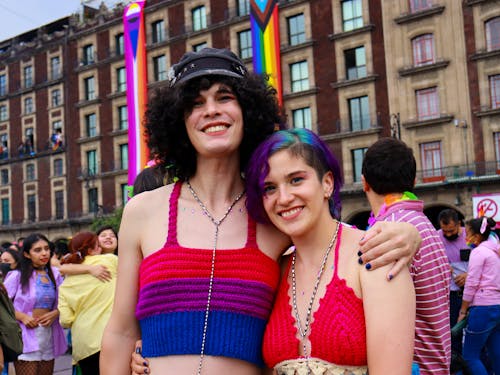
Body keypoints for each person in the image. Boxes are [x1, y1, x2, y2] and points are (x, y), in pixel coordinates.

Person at [105, 47, 420, 375]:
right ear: (178, 121)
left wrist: (408, 233)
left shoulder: (273, 217)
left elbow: (332, 240)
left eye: (224, 97)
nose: (211, 110)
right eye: (195, 103)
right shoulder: (143, 212)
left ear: (247, 110)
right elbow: (122, 331)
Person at [244, 128, 415, 374]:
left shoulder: (375, 255)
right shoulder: (275, 271)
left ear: (327, 183)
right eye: (269, 188)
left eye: (296, 180)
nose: (283, 198)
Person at [361, 137, 451, 375]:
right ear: (413, 181)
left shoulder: (387, 234)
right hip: (436, 365)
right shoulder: (422, 224)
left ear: (364, 183)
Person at [3, 233, 67, 375]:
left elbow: (66, 302)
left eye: (46, 248)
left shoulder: (55, 275)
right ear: (26, 254)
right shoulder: (17, 276)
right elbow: (2, 305)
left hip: (49, 335)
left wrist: (55, 313)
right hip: (25, 337)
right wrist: (22, 317)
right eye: (37, 250)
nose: (44, 253)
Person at [58, 231, 117, 375]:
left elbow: (65, 320)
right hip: (110, 337)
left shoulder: (66, 283)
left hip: (83, 343)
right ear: (92, 249)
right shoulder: (110, 261)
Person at [457, 216, 500, 375]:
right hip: (497, 307)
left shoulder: (479, 252)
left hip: (482, 308)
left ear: (477, 236)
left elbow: (472, 283)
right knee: (496, 354)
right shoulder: (495, 250)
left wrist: (462, 310)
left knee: (470, 356)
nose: (466, 238)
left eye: (467, 233)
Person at [438, 208, 469, 354]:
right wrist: (443, 266)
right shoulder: (437, 237)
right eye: (445, 231)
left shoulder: (471, 235)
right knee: (454, 333)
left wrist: (469, 274)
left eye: (451, 230)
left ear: (459, 224)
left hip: (474, 293)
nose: (448, 235)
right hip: (452, 295)